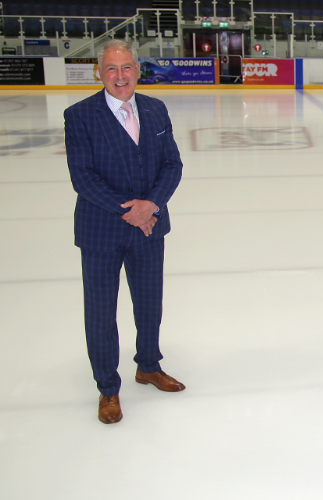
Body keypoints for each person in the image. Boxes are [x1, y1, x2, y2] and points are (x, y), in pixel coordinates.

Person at [64, 39, 185, 424]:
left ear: (137, 69)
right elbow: (83, 177)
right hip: (101, 231)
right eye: (112, 69)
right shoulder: (79, 115)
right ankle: (107, 388)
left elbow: (172, 165)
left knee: (150, 303)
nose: (120, 76)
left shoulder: (155, 108)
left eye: (127, 67)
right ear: (100, 72)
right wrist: (133, 211)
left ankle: (148, 365)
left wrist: (151, 205)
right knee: (101, 313)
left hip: (150, 228)